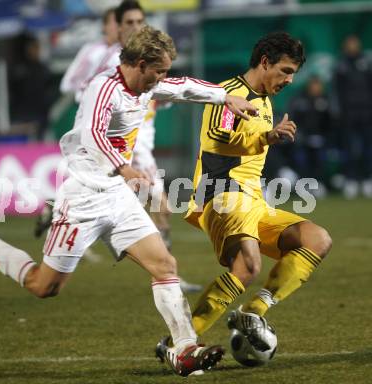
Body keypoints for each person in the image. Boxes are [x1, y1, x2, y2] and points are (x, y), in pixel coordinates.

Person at [0, 26, 257, 377]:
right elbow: (92, 135)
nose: (163, 77)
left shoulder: (145, 85)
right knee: (44, 287)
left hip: (117, 196)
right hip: (83, 198)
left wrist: (225, 98)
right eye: (160, 70)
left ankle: (184, 348)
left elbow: (184, 87)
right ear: (139, 63)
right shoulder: (103, 87)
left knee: (165, 265)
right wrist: (124, 167)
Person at [155, 32, 332, 361]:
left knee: (316, 239)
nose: (290, 80)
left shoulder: (264, 101)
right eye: (285, 70)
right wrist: (267, 137)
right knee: (248, 266)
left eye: (293, 73)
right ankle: (177, 343)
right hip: (222, 191)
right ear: (265, 62)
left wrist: (266, 136)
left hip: (253, 199)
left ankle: (254, 310)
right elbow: (216, 140)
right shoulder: (229, 93)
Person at [39, 0, 202, 292]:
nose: (135, 27)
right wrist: (94, 100)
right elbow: (74, 87)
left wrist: (152, 98)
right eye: (129, 22)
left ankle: (165, 271)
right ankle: (165, 272)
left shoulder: (149, 59)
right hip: (120, 148)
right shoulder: (101, 57)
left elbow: (161, 92)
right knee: (157, 203)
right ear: (115, 25)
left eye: (140, 21)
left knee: (159, 207)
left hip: (140, 143)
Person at [333, 34, 372, 198]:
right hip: (349, 114)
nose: (352, 46)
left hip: (367, 112)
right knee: (349, 148)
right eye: (349, 43)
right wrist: (339, 111)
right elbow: (336, 91)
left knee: (368, 147)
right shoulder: (341, 65)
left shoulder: (366, 62)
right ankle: (351, 180)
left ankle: (368, 179)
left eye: (354, 43)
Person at [287, 75, 331, 195]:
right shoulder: (299, 99)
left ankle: (318, 183)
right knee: (302, 159)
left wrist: (324, 135)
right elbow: (292, 119)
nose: (316, 88)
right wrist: (300, 136)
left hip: (321, 138)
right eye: (314, 85)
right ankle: (305, 184)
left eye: (318, 85)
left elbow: (330, 122)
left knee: (320, 158)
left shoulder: (325, 100)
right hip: (302, 138)